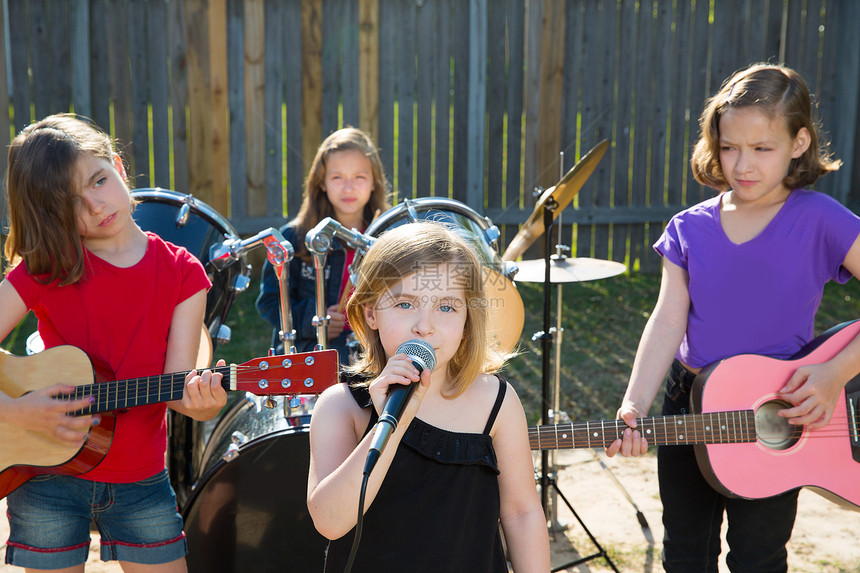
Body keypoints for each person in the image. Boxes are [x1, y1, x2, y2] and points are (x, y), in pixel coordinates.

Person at [606, 62, 860, 571]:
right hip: (690, 401)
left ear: (799, 142)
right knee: (685, 551)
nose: (742, 164)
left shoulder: (823, 220)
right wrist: (635, 401)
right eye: (729, 147)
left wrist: (836, 373)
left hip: (778, 412)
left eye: (762, 148)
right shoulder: (688, 228)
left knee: (758, 557)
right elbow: (667, 319)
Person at [0, 113, 228, 571]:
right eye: (71, 203)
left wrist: (205, 403)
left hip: (140, 479)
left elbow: (179, 388)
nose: (95, 206)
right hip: (45, 476)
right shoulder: (47, 267)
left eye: (99, 181)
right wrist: (18, 411)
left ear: (120, 168)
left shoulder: (183, 274)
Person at [306, 222, 550, 572]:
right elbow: (330, 521)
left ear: (468, 321)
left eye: (447, 308)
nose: (425, 325)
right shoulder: (341, 406)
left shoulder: (496, 401)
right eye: (405, 303)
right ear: (371, 313)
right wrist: (390, 423)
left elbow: (521, 513)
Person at [256, 127, 391, 365]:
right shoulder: (294, 238)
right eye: (337, 177)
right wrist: (315, 319)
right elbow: (269, 302)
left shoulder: (389, 239)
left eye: (359, 177)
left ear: (374, 183)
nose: (348, 187)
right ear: (322, 183)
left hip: (374, 356)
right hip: (311, 355)